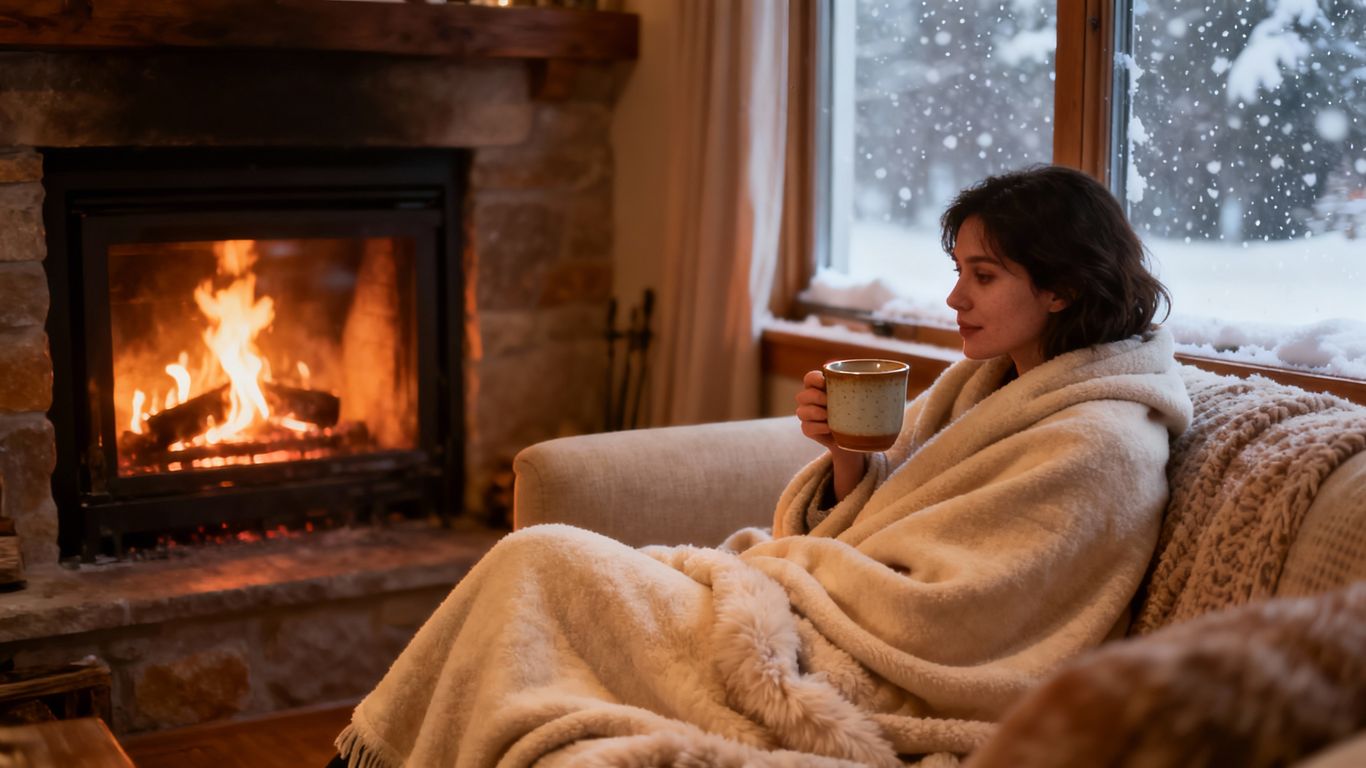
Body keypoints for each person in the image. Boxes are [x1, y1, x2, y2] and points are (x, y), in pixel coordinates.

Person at [331, 165, 1193, 768]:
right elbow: (900, 523)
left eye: (983, 274)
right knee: (539, 569)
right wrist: (850, 459)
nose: (954, 298)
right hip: (816, 610)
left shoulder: (1102, 444)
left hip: (862, 670)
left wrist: (791, 583)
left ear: (1063, 288)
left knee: (539, 559)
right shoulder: (993, 380)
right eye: (956, 270)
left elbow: (961, 620)